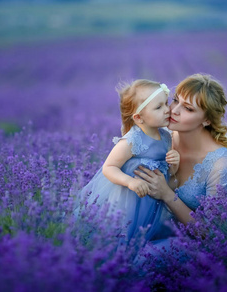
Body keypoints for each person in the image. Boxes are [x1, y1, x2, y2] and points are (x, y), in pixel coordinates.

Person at [133, 73, 227, 255]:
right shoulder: (164, 137)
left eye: (188, 108)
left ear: (207, 120)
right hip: (152, 228)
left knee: (138, 261)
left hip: (193, 244)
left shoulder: (221, 163)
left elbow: (210, 232)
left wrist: (166, 194)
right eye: (175, 100)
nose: (174, 110)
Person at [75, 79, 180, 244]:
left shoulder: (167, 136)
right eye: (159, 107)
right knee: (121, 234)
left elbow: (169, 171)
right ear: (139, 118)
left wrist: (174, 161)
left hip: (150, 200)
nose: (168, 110)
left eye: (166, 103)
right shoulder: (133, 139)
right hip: (128, 199)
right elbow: (109, 167)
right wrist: (130, 182)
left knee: (144, 231)